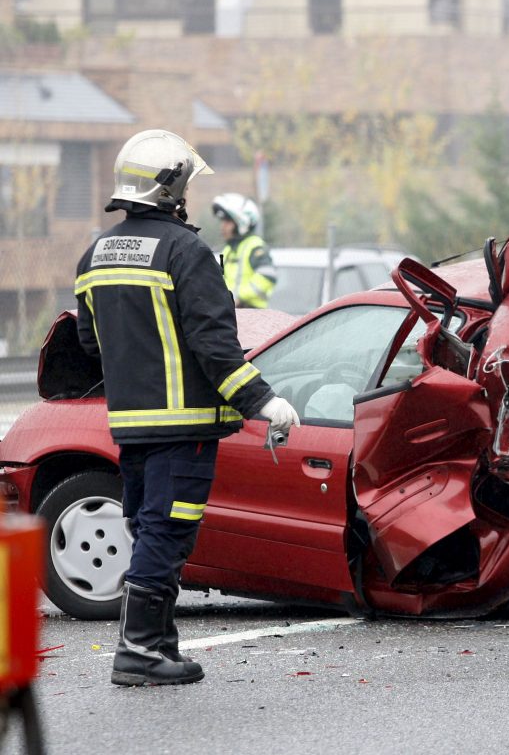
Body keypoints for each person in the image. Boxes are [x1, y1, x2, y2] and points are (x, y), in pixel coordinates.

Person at [75, 129, 300, 686]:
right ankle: (139, 651)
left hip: (129, 425)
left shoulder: (95, 254)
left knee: (148, 526)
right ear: (170, 189)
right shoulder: (185, 251)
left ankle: (159, 642)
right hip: (185, 426)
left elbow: (89, 344)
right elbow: (214, 345)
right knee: (168, 531)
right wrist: (264, 401)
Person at [212, 192, 277, 308]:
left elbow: (268, 276)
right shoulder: (228, 250)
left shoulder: (254, 246)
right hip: (234, 311)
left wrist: (238, 297)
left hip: (253, 312)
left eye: (227, 222)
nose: (223, 227)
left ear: (242, 223)